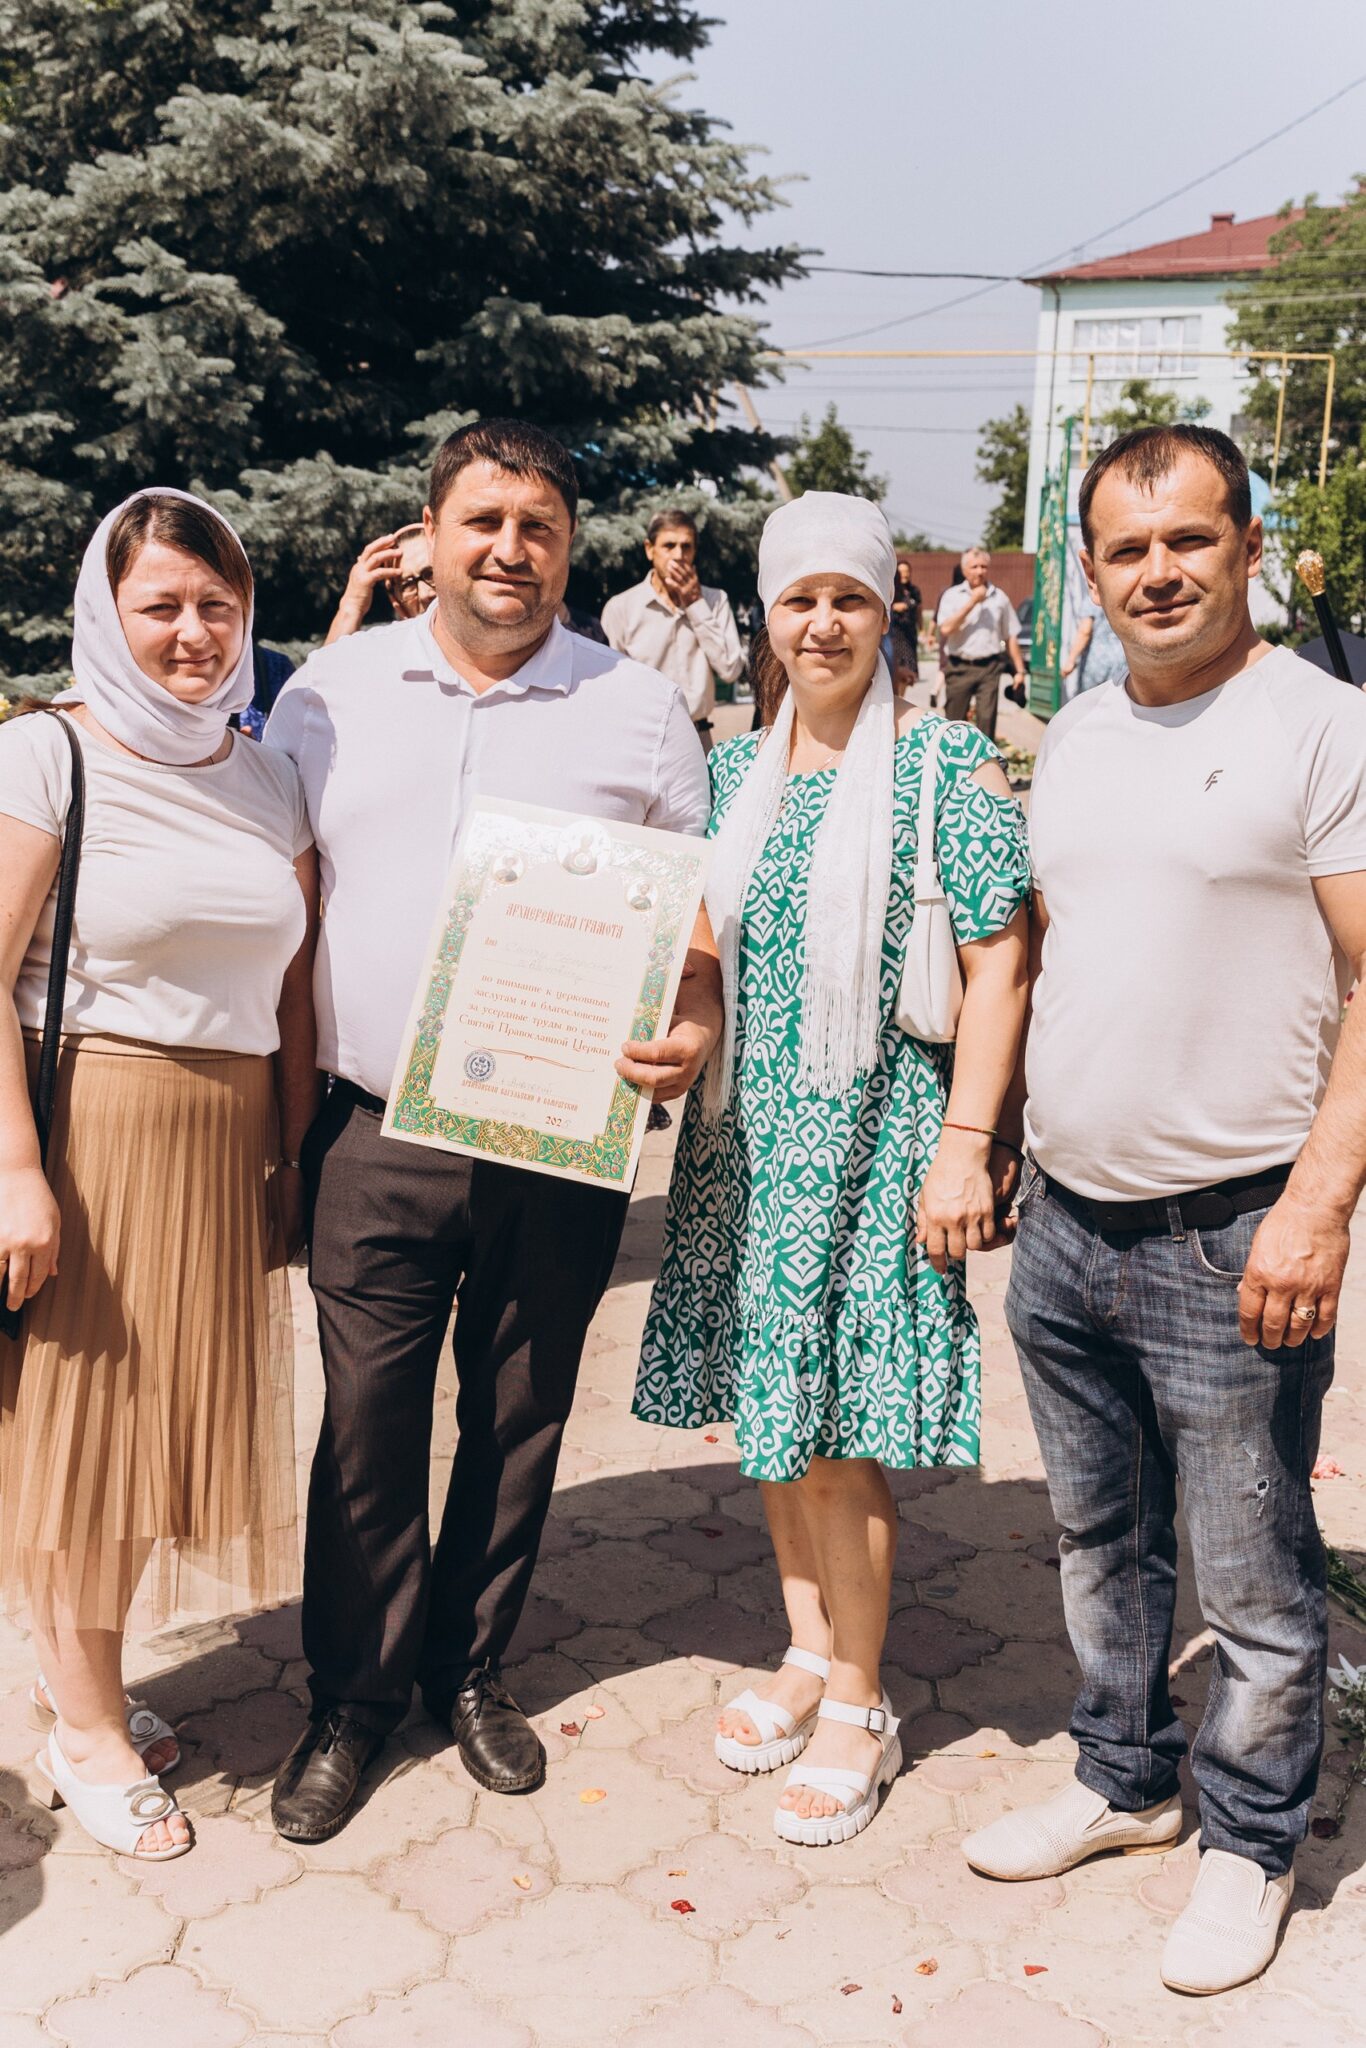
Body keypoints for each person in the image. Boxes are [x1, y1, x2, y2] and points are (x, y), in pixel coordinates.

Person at [264, 419, 720, 1844]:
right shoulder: (330, 695)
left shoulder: (636, 708)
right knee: (367, 1424)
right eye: (484, 521)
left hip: (556, 1135)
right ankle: (351, 1698)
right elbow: (286, 913)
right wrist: (279, 1135)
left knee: (518, 1417)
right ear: (429, 534)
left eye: (538, 527)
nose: (510, 550)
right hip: (372, 1134)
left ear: (568, 548)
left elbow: (693, 924)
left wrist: (693, 1023)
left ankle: (467, 1671)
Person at [962, 425, 1366, 1995]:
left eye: (1188, 540)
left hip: (1235, 1232)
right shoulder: (1071, 735)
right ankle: (1121, 1779)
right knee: (1097, 1537)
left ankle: (1250, 1840)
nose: (1158, 573)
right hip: (1067, 1223)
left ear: (1247, 548)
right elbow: (1059, 950)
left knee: (1252, 1571)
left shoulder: (1321, 728)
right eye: (1125, 549)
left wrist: (1318, 1205)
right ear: (1086, 569)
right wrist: (999, 1138)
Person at [634, 491, 1031, 1848]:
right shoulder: (733, 775)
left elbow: (1000, 966)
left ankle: (862, 1697)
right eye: (797, 600)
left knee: (841, 1433)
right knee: (775, 1408)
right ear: (765, 619)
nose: (821, 624)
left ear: (885, 615)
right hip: (747, 1143)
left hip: (875, 1144)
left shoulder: (941, 766)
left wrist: (968, 1145)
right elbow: (703, 955)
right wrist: (682, 1041)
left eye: (847, 599)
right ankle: (805, 1644)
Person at [0, 489, 318, 1862]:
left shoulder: (264, 772)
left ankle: (82, 1679)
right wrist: (15, 1168)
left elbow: (293, 987)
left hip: (224, 1131)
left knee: (153, 1440)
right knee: (86, 1442)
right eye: (161, 606)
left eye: (216, 605)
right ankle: (83, 1729)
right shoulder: (46, 755)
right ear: (106, 612)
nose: (193, 632)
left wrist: (289, 1150)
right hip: (94, 1129)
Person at [601, 509, 745, 752]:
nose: (679, 555)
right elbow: (609, 688)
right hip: (641, 739)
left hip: (697, 737)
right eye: (669, 546)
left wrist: (695, 604)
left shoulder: (715, 601)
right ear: (650, 549)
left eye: (686, 547)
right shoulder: (621, 608)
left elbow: (731, 669)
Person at [934, 548, 1026, 739]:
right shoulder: (952, 595)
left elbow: (1010, 635)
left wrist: (1019, 671)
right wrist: (973, 601)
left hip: (989, 668)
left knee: (986, 721)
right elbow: (946, 629)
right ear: (964, 570)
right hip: (959, 667)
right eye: (974, 567)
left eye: (984, 566)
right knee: (954, 723)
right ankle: (953, 756)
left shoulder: (999, 598)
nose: (980, 571)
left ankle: (984, 757)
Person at [325, 523, 434, 643]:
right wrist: (353, 604)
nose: (424, 594)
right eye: (407, 585)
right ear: (396, 600)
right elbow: (332, 655)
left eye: (430, 575)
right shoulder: (389, 649)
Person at [1059, 588, 1125, 704]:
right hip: (1121, 659)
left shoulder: (1093, 599)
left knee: (1091, 702)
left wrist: (1071, 660)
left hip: (1096, 661)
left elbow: (1085, 632)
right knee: (1115, 701)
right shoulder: (1119, 597)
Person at [888, 557, 922, 689]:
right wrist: (894, 607)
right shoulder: (892, 591)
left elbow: (918, 610)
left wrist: (922, 629)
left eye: (907, 571)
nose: (905, 575)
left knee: (908, 674)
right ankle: (896, 696)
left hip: (910, 634)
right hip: (896, 635)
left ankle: (900, 696)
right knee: (896, 669)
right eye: (902, 572)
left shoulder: (914, 591)